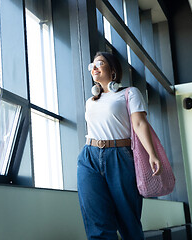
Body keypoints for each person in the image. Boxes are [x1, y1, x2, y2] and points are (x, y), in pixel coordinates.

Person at [77, 52, 162, 240]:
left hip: (119, 156)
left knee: (128, 220)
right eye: (92, 65)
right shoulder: (90, 101)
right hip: (89, 157)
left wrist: (152, 154)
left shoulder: (129, 93)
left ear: (113, 71)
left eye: (100, 63)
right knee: (96, 221)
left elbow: (140, 124)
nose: (94, 68)